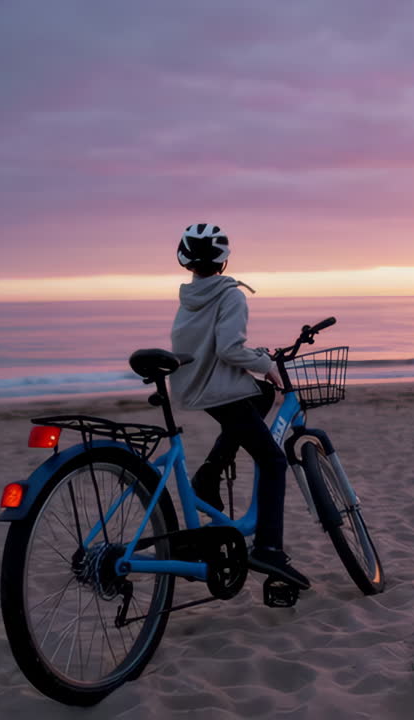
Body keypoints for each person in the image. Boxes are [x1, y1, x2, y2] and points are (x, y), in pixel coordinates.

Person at [169, 222, 309, 590]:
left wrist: (256, 362)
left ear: (185, 260)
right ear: (224, 261)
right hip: (218, 390)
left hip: (192, 385)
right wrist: (266, 364)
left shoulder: (190, 295)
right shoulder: (230, 295)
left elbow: (213, 345)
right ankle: (268, 548)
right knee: (274, 460)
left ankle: (210, 473)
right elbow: (230, 349)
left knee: (261, 395)